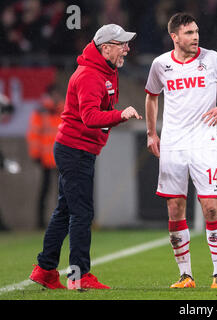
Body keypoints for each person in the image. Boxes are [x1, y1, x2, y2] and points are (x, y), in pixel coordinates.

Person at [29, 24, 141, 290]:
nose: (127, 48)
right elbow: (90, 117)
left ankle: (45, 269)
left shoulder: (103, 69)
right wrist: (120, 114)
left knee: (65, 210)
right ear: (105, 48)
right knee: (81, 213)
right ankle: (79, 275)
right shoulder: (91, 75)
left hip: (76, 149)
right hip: (76, 151)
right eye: (122, 44)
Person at [145, 12, 217, 289]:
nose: (195, 37)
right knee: (175, 208)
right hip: (173, 144)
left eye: (197, 32)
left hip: (203, 143)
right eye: (189, 33)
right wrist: (152, 133)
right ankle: (186, 275)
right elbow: (151, 96)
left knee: (211, 208)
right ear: (174, 37)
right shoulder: (161, 64)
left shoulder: (211, 59)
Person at [26, 85, 64, 229]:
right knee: (45, 191)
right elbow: (34, 135)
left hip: (61, 158)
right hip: (46, 159)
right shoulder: (41, 112)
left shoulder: (63, 110)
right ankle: (40, 222)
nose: (56, 97)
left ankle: (60, 222)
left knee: (62, 193)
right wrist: (36, 154)